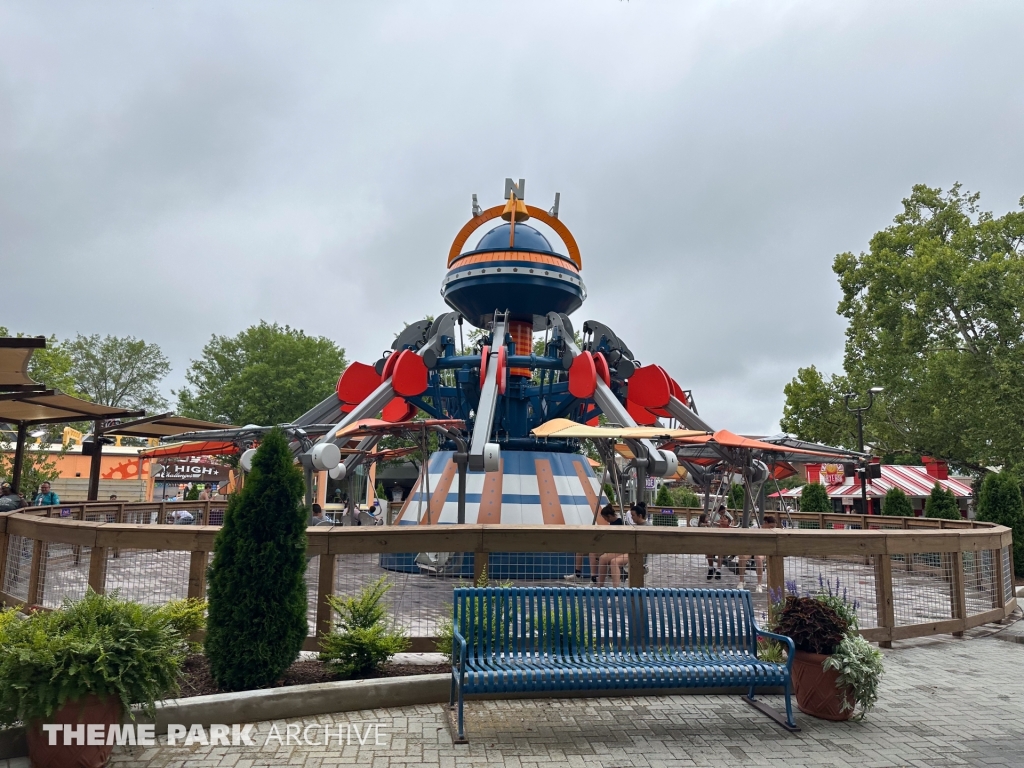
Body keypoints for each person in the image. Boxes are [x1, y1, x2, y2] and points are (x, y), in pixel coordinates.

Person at [597, 504, 646, 586]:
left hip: (636, 552)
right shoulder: (633, 525)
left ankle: (616, 590)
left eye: (633, 515)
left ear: (639, 515)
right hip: (627, 549)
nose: (632, 517)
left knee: (614, 562)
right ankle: (599, 586)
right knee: (603, 558)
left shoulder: (646, 527)